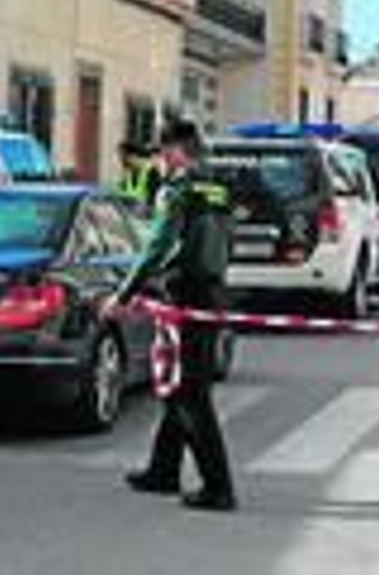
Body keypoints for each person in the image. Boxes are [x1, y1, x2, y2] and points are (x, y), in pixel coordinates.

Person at [109, 117, 236, 512]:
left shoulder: (179, 189)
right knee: (178, 387)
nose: (161, 159)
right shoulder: (218, 185)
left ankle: (219, 488)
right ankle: (164, 470)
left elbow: (158, 245)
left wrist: (124, 293)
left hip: (187, 294)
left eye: (163, 152)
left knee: (190, 394)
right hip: (213, 292)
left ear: (175, 149)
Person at [115, 137, 162, 210]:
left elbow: (154, 200)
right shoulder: (128, 172)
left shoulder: (152, 172)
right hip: (130, 213)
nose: (121, 160)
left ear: (133, 155)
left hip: (145, 215)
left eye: (123, 156)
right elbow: (123, 192)